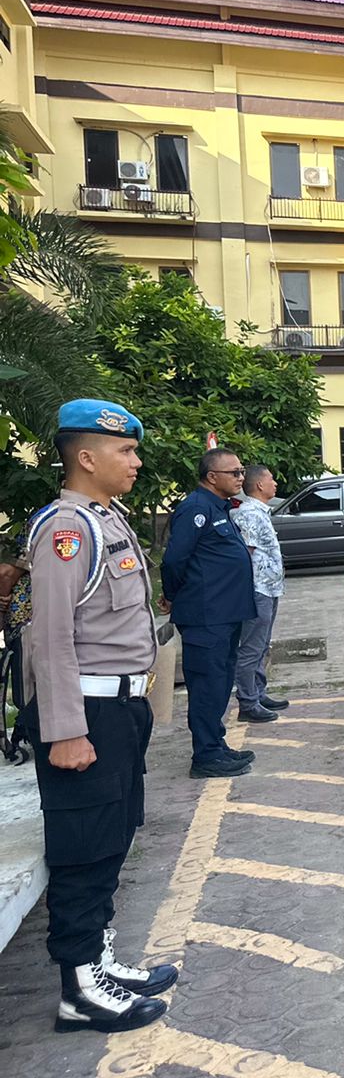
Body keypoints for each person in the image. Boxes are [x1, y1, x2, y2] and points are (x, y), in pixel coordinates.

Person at [19, 400, 176, 1033]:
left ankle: (99, 961)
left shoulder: (106, 518)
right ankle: (79, 990)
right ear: (86, 457)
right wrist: (65, 730)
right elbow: (51, 637)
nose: (135, 462)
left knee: (112, 837)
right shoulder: (67, 530)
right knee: (83, 848)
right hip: (85, 713)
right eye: (125, 451)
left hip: (119, 708)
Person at [162, 447, 258, 778]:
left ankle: (215, 744)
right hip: (206, 615)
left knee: (219, 683)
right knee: (206, 685)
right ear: (212, 477)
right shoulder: (196, 508)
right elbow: (174, 560)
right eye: (234, 472)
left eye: (242, 471)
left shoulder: (219, 507)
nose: (241, 477)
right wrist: (172, 595)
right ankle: (206, 756)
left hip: (225, 613)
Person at [230, 465, 289, 724]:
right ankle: (248, 701)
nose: (275, 483)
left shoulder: (261, 512)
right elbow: (246, 553)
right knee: (251, 648)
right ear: (259, 485)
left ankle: (258, 692)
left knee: (262, 645)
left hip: (269, 587)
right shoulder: (250, 514)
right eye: (271, 479)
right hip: (257, 590)